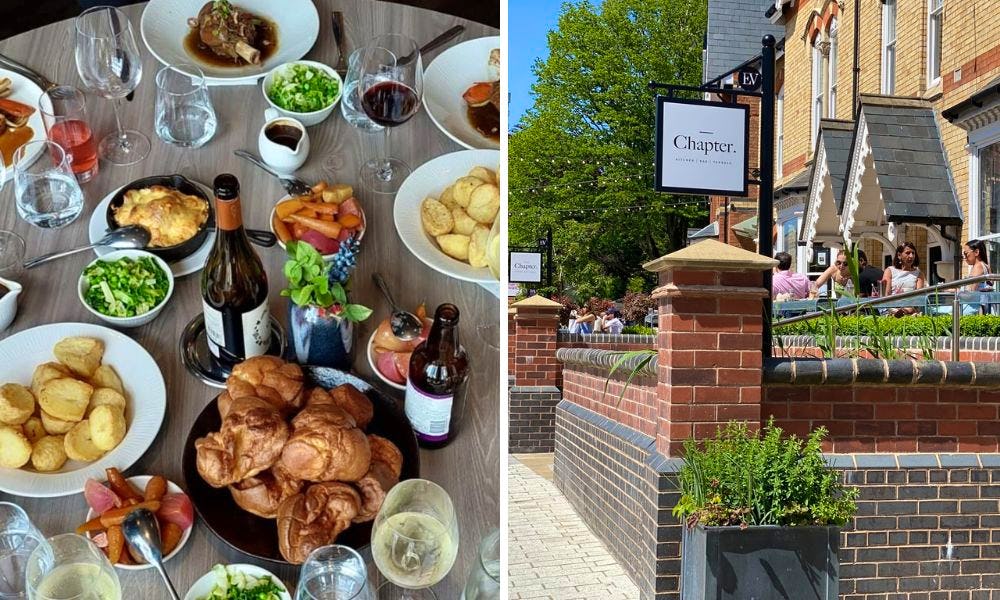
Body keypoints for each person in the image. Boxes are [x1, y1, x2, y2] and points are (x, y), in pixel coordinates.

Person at [883, 242, 925, 317]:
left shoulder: (919, 273)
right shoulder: (889, 271)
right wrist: (894, 309)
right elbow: (886, 295)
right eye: (908, 253)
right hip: (892, 309)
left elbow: (918, 297)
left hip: (911, 310)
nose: (911, 256)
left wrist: (907, 309)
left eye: (913, 253)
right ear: (899, 255)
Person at [962, 239, 992, 315]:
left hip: (973, 308)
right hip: (982, 307)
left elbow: (970, 295)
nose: (965, 257)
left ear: (976, 252)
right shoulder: (986, 266)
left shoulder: (978, 267)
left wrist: (953, 292)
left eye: (966, 253)